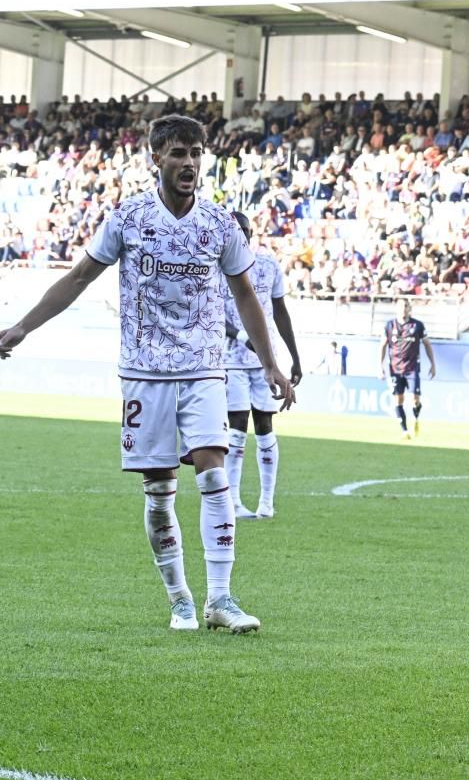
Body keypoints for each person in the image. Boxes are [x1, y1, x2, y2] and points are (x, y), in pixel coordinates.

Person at [0, 114, 295, 632]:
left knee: (214, 473)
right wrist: (23, 327)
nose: (189, 163)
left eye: (197, 153)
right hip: (144, 371)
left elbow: (247, 295)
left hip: (205, 368)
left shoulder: (220, 224)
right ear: (156, 157)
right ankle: (180, 595)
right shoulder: (128, 219)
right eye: (179, 153)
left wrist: (272, 361)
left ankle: (221, 599)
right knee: (160, 492)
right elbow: (79, 278)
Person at [222, 210, 302, 520]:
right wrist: (241, 335)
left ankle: (267, 501)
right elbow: (214, 315)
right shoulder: (215, 266)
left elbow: (280, 311)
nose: (240, 236)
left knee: (266, 426)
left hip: (265, 362)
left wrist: (294, 356)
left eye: (244, 231)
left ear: (251, 234)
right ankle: (234, 501)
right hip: (231, 360)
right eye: (234, 230)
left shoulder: (268, 265)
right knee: (237, 429)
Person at [381, 298, 435, 441]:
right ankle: (405, 431)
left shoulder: (417, 325)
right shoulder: (389, 325)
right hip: (395, 368)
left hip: (412, 369)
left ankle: (416, 418)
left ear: (409, 308)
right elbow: (382, 346)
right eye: (400, 306)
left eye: (405, 306)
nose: (403, 308)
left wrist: (433, 364)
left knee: (414, 400)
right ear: (396, 308)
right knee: (398, 399)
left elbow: (427, 345)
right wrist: (379, 366)